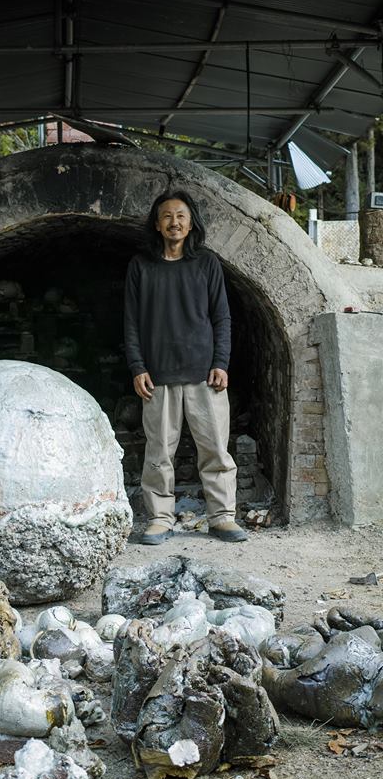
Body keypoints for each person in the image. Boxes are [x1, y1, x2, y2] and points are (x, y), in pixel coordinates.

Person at [123, 189, 247, 546]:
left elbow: (221, 317)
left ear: (191, 222)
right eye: (167, 216)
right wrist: (137, 366)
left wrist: (221, 362)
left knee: (216, 451)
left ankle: (222, 518)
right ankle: (160, 519)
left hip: (204, 375)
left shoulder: (206, 263)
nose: (174, 222)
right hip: (157, 375)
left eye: (180, 215)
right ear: (157, 225)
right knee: (159, 454)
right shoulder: (141, 266)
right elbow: (130, 322)